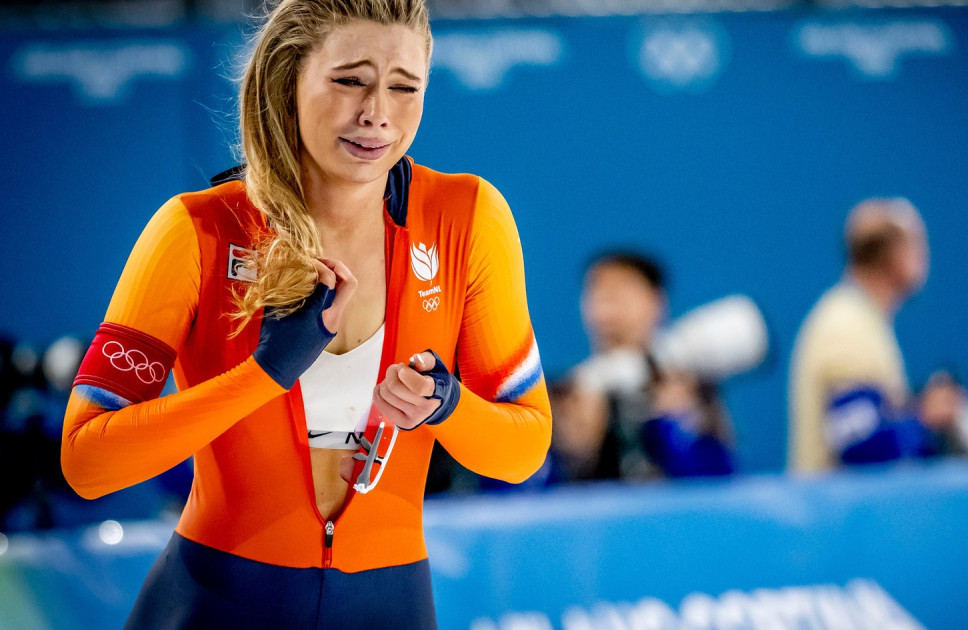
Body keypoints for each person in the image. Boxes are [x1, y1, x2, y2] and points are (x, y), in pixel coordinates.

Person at [60, 1, 551, 627]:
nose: (377, 112)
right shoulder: (197, 230)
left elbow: (524, 449)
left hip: (390, 603)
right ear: (287, 78)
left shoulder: (467, 219)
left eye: (404, 87)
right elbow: (87, 463)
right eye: (350, 80)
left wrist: (447, 406)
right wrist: (262, 376)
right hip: (215, 603)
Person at [788, 198, 968, 473]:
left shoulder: (860, 317)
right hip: (834, 500)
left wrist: (915, 411)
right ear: (896, 253)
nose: (925, 256)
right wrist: (925, 417)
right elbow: (858, 443)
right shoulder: (847, 324)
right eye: (917, 245)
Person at [550, 252, 737, 482]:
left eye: (620, 293)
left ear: (656, 302)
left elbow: (718, 481)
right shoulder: (571, 396)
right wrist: (574, 450)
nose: (607, 309)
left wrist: (673, 422)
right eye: (598, 293)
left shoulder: (692, 390)